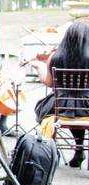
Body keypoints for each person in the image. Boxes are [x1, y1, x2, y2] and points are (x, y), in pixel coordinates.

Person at [32, 21, 89, 168]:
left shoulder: (55, 57)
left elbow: (49, 83)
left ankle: (75, 149)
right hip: (87, 105)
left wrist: (39, 67)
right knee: (77, 111)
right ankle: (79, 149)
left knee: (65, 110)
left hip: (61, 105)